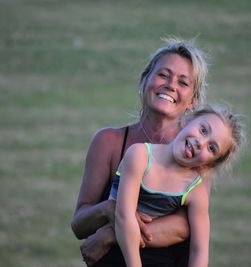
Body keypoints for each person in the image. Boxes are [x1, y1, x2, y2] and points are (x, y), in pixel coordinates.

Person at [71, 37, 209, 266]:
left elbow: (185, 226)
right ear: (144, 80)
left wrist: (110, 235)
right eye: (163, 75)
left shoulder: (196, 154)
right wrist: (110, 208)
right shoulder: (109, 142)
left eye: (183, 83)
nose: (171, 85)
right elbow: (79, 224)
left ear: (192, 101)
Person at [111, 105, 246, 267]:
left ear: (209, 165)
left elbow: (199, 251)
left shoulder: (195, 190)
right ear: (188, 121)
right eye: (203, 130)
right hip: (118, 253)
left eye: (211, 148)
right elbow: (124, 217)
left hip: (157, 256)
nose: (200, 143)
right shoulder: (140, 155)